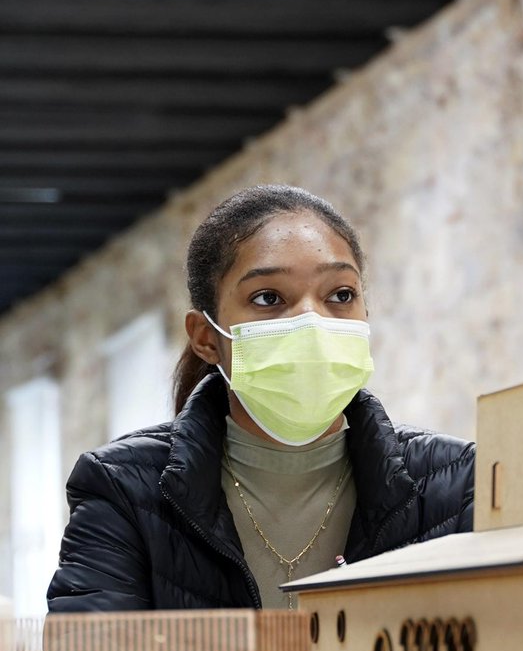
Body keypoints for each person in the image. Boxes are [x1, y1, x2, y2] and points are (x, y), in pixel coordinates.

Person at [47, 185, 475, 611]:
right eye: (268, 298)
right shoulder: (124, 487)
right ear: (206, 338)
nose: (312, 320)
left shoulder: (453, 481)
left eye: (340, 295)